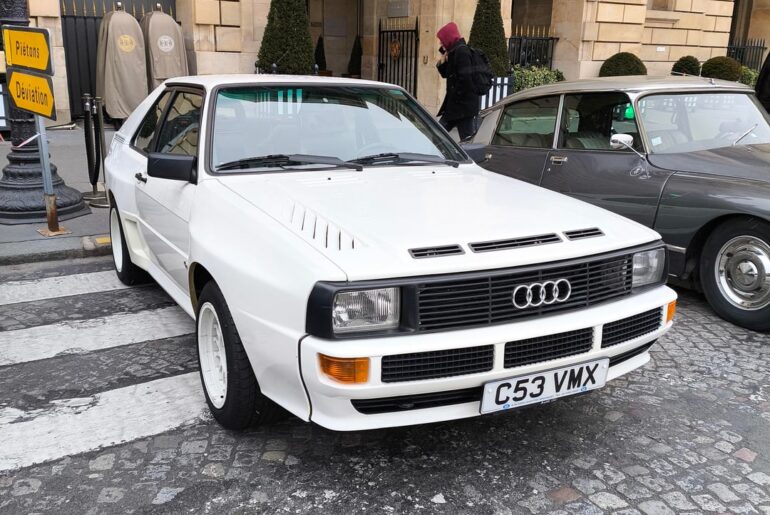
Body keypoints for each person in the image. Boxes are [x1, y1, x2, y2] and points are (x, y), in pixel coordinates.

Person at [436, 22, 480, 141]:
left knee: (466, 141)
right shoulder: (453, 52)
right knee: (437, 135)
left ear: (448, 37)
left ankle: (469, 158)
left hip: (463, 108)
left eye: (442, 40)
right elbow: (446, 74)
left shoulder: (462, 52)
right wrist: (442, 60)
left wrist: (455, 97)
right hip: (456, 107)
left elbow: (465, 80)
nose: (441, 43)